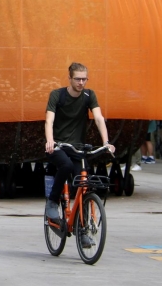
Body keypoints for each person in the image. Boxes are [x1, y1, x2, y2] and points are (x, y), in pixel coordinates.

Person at [43, 63, 114, 249]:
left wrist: (106, 142)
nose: (81, 82)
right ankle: (52, 201)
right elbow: (49, 120)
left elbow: (99, 118)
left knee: (84, 181)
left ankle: (82, 231)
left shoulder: (89, 96)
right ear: (70, 78)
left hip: (78, 148)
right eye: (77, 79)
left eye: (84, 79)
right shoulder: (57, 95)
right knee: (65, 166)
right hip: (58, 146)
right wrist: (50, 141)